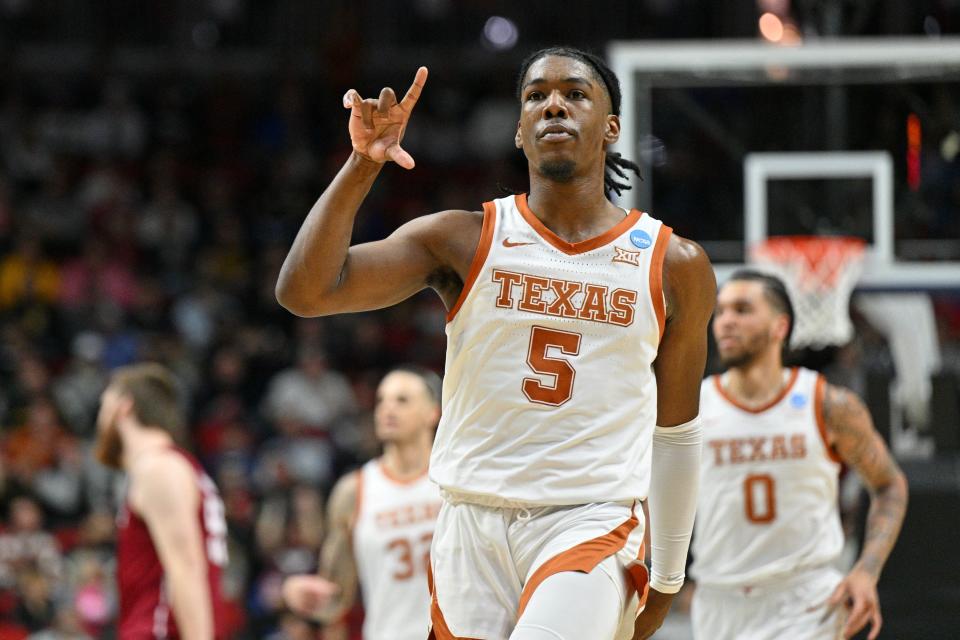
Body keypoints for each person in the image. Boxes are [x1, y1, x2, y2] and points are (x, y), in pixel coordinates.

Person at [275, 46, 716, 640]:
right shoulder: (463, 238)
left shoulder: (672, 264)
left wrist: (665, 577)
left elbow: (677, 434)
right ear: (518, 129)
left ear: (610, 126)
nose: (553, 104)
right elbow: (305, 292)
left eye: (575, 94)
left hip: (590, 521)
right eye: (536, 96)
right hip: (468, 523)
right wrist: (362, 165)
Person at [690, 271, 909, 640]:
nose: (726, 321)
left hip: (807, 598)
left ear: (780, 326)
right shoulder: (693, 407)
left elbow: (890, 484)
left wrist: (866, 571)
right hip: (718, 600)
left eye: (742, 310)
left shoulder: (826, 403)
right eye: (722, 311)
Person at [282, 365, 443, 639]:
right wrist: (298, 594)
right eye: (381, 400)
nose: (387, 408)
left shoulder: (456, 480)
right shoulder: (353, 490)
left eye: (402, 400)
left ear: (433, 412)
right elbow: (335, 600)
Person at [94, 362, 229, 639]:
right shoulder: (171, 466)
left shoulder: (160, 468)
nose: (98, 420)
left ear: (124, 405)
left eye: (103, 405)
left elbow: (187, 567)